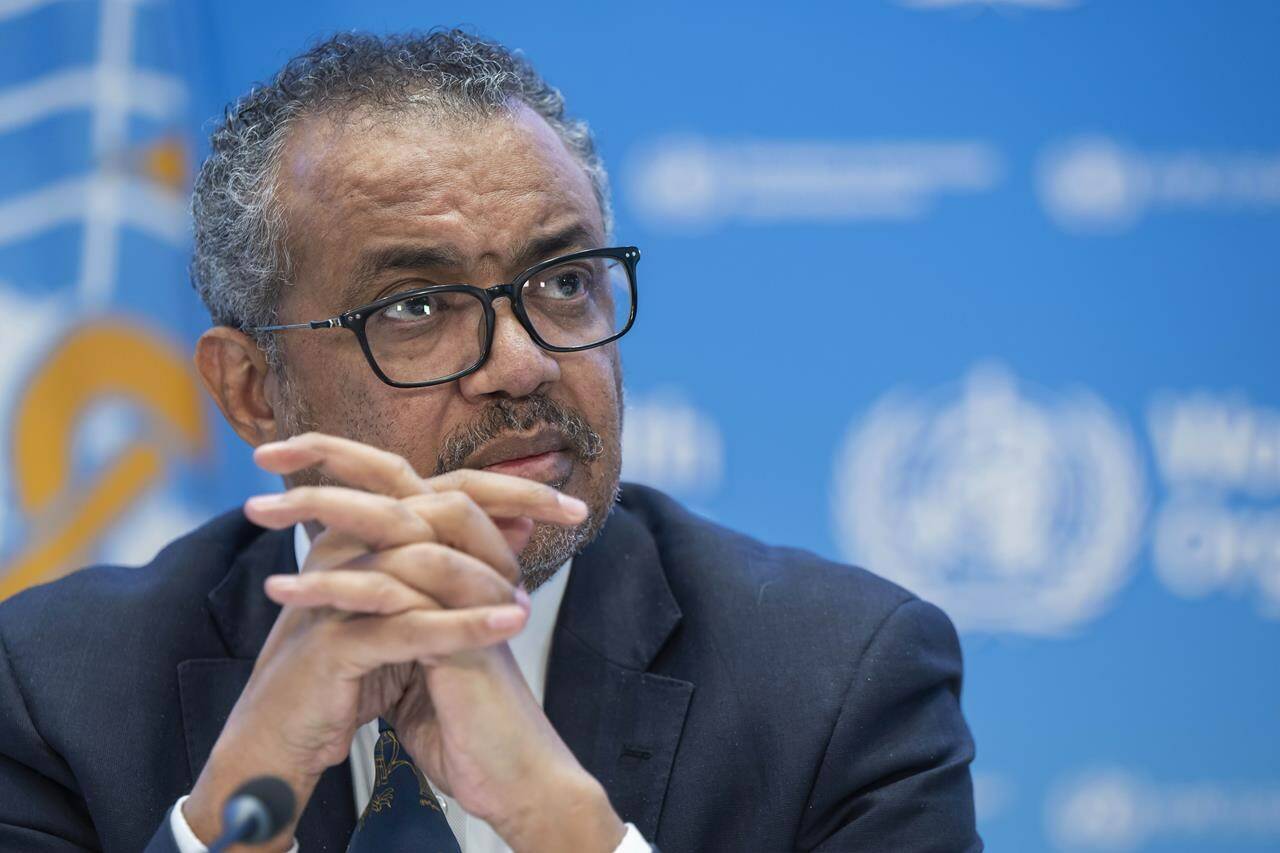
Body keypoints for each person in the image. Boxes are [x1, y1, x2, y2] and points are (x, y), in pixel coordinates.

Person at [0, 29, 981, 853]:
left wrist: (567, 832)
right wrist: (230, 825)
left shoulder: (839, 680)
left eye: (563, 283)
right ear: (253, 389)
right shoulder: (56, 687)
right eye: (417, 303)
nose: (520, 362)